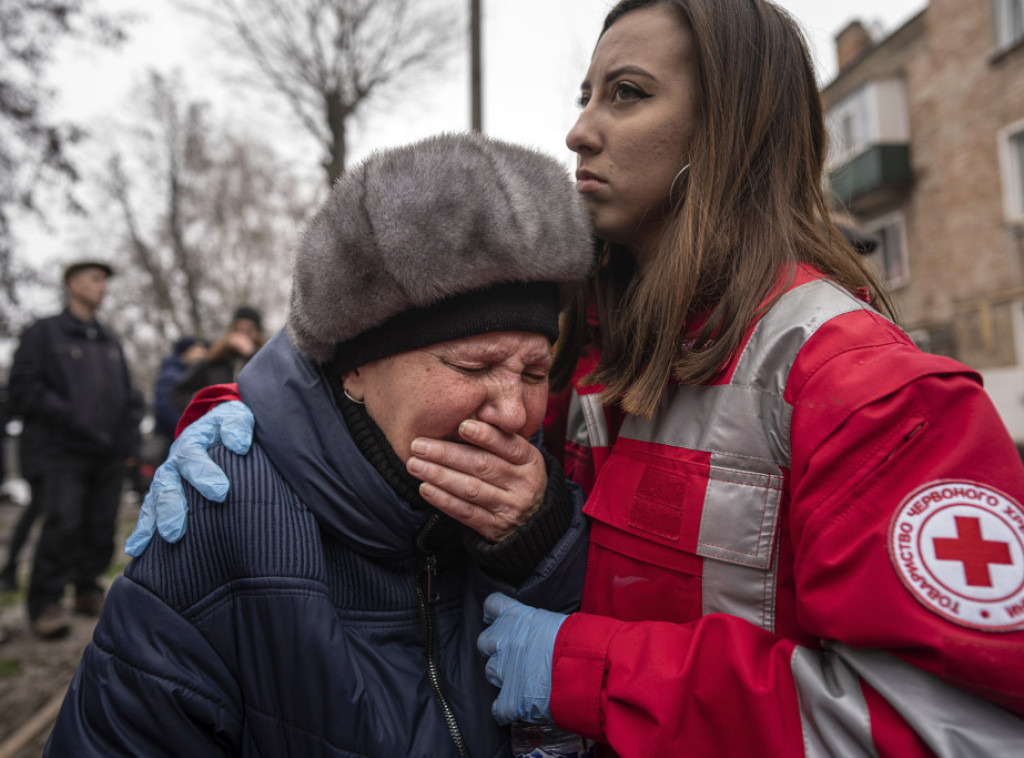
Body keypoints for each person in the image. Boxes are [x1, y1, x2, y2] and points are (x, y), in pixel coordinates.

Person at [129, 1, 1024, 755]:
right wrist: (244, 424)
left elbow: (952, 730)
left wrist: (582, 671)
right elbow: (388, 357)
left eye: (627, 94)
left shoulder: (875, 394)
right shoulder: (585, 340)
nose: (579, 128)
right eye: (586, 93)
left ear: (731, 128)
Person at [45, 133, 594, 756]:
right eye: (471, 367)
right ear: (356, 368)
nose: (516, 412)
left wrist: (539, 552)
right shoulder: (220, 512)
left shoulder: (553, 505)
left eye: (534, 371)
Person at [8, 260, 140, 638]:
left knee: (101, 524)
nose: (103, 287)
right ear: (72, 284)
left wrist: (128, 436)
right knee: (63, 523)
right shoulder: (44, 333)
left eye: (105, 281)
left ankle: (86, 588)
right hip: (61, 450)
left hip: (108, 454)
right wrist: (70, 417)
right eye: (96, 279)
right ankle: (46, 601)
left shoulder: (110, 339)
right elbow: (24, 387)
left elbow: (129, 394)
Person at [170, 306, 263, 416]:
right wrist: (204, 408)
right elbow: (178, 394)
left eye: (249, 330)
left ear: (257, 333)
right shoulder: (213, 360)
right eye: (239, 329)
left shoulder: (264, 360)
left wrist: (251, 355)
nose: (242, 335)